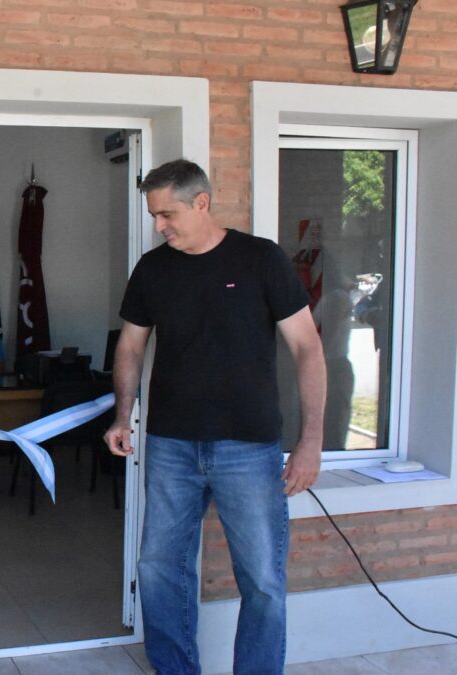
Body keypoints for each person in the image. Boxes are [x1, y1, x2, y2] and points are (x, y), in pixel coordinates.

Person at [103, 160, 325, 675]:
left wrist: (311, 441)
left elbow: (308, 349)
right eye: (154, 215)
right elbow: (131, 348)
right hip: (171, 445)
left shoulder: (261, 260)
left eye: (167, 214)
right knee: (159, 569)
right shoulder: (153, 269)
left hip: (248, 448)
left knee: (263, 580)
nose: (159, 226)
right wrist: (123, 415)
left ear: (201, 202)